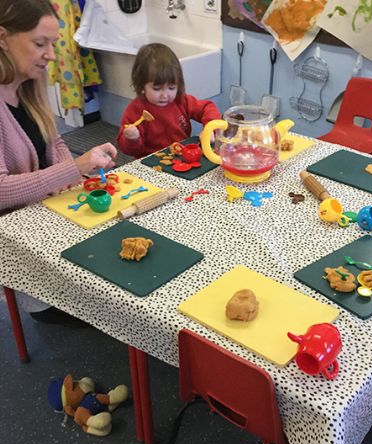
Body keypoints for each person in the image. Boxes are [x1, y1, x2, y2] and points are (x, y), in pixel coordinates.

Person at [0, 0, 117, 326]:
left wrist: (69, 173)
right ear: (3, 38)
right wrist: (73, 169)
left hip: (47, 213)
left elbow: (55, 143)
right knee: (107, 303)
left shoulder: (28, 87)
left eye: (53, 44)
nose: (51, 55)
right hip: (17, 240)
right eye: (40, 44)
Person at [117, 43, 221, 159]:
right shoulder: (135, 110)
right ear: (141, 86)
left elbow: (207, 107)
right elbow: (128, 149)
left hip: (181, 155)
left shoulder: (181, 100)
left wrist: (209, 129)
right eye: (157, 89)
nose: (165, 95)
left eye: (171, 88)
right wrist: (132, 139)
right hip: (151, 161)